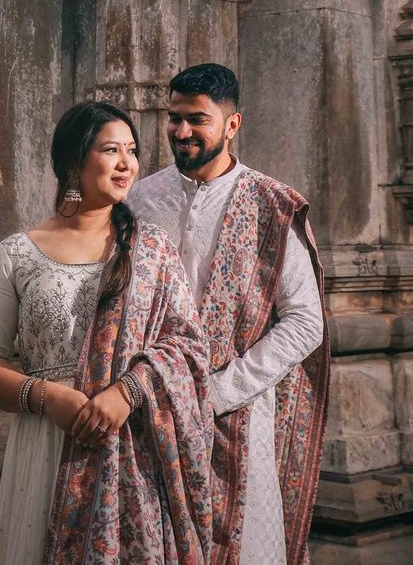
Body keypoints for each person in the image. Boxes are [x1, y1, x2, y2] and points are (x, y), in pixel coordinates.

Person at [0, 100, 213, 564]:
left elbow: (188, 348)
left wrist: (128, 392)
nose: (127, 164)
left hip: (130, 450)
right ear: (76, 160)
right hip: (45, 446)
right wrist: (49, 397)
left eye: (133, 151)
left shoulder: (151, 249)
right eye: (112, 150)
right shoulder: (18, 253)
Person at [128, 64, 329, 565]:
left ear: (232, 124)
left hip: (237, 412)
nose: (181, 131)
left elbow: (306, 321)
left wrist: (218, 392)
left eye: (197, 119)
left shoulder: (271, 205)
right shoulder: (139, 198)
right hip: (148, 411)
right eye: (173, 118)